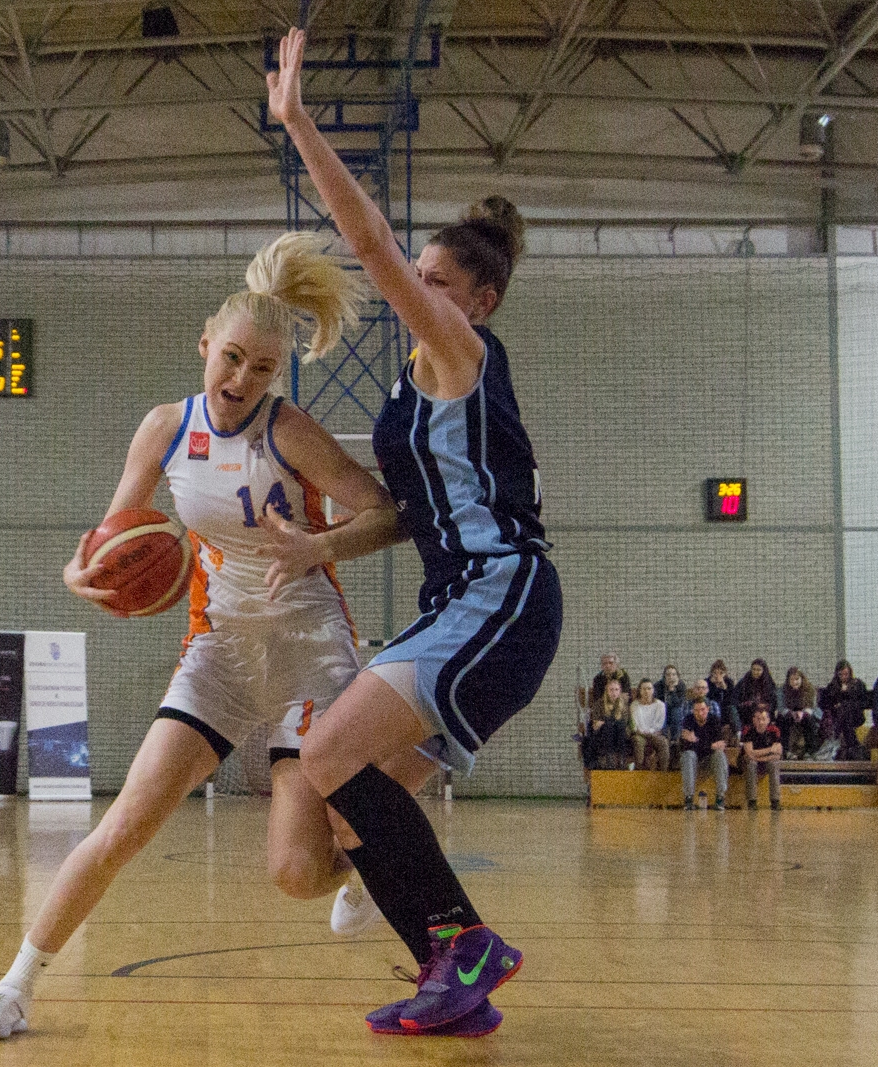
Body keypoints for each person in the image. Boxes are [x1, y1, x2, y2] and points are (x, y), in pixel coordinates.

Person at [0, 232, 403, 1040]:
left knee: (297, 873)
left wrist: (320, 545)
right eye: (232, 358)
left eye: (263, 368)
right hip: (220, 651)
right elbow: (113, 529)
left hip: (310, 651)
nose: (242, 380)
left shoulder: (291, 432)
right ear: (205, 345)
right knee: (126, 821)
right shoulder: (165, 427)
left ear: (279, 375)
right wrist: (78, 570)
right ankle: (14, 988)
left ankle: (367, 858)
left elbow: (389, 513)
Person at [269, 29, 563, 1037]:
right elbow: (403, 513)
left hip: (500, 594)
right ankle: (454, 979)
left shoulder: (462, 348)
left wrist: (300, 123)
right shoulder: (411, 388)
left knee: (325, 754)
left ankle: (464, 941)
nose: (416, 291)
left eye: (434, 279)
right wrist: (320, 546)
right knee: (350, 810)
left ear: (477, 299)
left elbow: (366, 247)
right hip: (464, 604)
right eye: (420, 278)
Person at [679, 697, 729, 810]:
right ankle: (689, 798)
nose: (699, 713)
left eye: (702, 710)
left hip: (710, 760)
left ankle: (720, 797)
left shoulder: (714, 720)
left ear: (708, 709)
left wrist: (697, 741)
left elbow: (719, 745)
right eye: (696, 710)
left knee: (720, 755)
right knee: (688, 755)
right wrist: (710, 745)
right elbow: (686, 746)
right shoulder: (688, 720)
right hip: (693, 761)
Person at [818, 659, 870, 760]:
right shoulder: (833, 686)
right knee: (843, 714)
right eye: (840, 675)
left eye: (846, 674)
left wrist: (847, 699)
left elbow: (864, 702)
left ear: (850, 673)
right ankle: (853, 744)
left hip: (855, 716)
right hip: (837, 717)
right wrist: (835, 704)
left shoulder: (857, 684)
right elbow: (825, 703)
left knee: (845, 708)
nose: (843, 677)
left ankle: (836, 738)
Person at [739, 703, 782, 811]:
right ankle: (752, 801)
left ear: (768, 720)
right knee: (751, 764)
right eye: (758, 719)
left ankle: (775, 801)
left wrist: (758, 757)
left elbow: (777, 755)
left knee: (774, 764)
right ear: (753, 719)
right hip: (747, 761)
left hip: (766, 761)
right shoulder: (747, 730)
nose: (760, 722)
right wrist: (769, 750)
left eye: (763, 719)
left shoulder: (774, 730)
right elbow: (749, 753)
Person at [581, 678, 631, 771]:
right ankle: (609, 761)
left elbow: (623, 723)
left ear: (620, 691)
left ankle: (620, 762)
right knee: (608, 728)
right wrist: (609, 723)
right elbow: (596, 725)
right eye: (611, 690)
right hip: (603, 735)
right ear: (606, 691)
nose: (614, 693)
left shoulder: (624, 706)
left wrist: (605, 722)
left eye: (616, 690)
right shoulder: (599, 704)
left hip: (619, 735)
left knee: (615, 726)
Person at [777, 666, 820, 760]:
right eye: (791, 679)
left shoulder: (810, 689)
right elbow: (781, 707)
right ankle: (786, 751)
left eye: (797, 679)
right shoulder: (782, 690)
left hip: (805, 713)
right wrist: (791, 713)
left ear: (802, 678)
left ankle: (810, 751)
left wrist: (803, 713)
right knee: (783, 720)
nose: (794, 682)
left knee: (809, 720)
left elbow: (813, 706)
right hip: (789, 713)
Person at [629, 679, 669, 771]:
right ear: (640, 690)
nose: (646, 691)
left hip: (655, 733)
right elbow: (634, 725)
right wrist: (642, 732)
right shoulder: (634, 705)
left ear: (653, 690)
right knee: (637, 742)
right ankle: (640, 771)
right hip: (639, 734)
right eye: (644, 689)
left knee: (663, 742)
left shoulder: (660, 705)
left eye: (649, 688)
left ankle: (663, 772)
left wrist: (651, 732)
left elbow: (659, 724)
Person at [731, 659, 777, 737]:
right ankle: (742, 734)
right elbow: (734, 698)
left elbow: (773, 701)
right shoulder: (744, 682)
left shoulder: (769, 683)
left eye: (758, 670)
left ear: (764, 670)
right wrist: (746, 703)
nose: (755, 672)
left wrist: (764, 706)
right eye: (754, 669)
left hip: (764, 711)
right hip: (747, 710)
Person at [658, 665, 688, 762]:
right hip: (663, 712)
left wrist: (672, 691)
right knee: (664, 710)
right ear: (664, 676)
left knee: (677, 710)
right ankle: (666, 738)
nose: (671, 677)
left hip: (676, 713)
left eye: (673, 674)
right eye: (668, 675)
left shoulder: (681, 685)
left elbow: (679, 703)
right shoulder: (658, 686)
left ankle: (674, 740)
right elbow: (658, 704)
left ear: (677, 676)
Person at [707, 659, 735, 731]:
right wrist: (714, 686)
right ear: (711, 673)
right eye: (715, 673)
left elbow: (731, 699)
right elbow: (708, 698)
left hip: (725, 707)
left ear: (724, 674)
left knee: (731, 709)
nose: (718, 675)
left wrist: (724, 687)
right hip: (711, 707)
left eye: (721, 673)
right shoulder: (707, 682)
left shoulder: (729, 682)